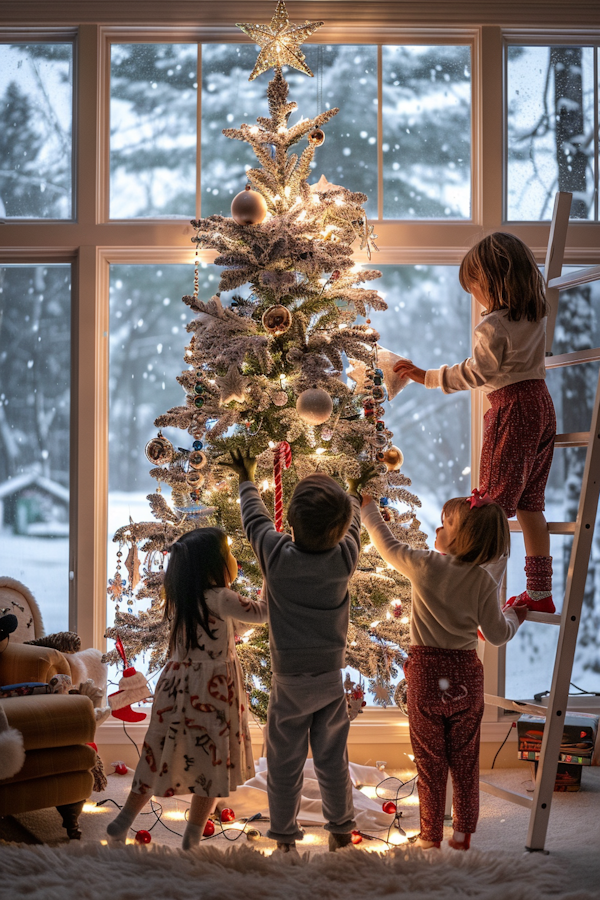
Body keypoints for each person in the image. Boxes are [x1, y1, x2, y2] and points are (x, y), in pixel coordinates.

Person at [393, 232, 556, 613]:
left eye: (476, 287)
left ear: (495, 281)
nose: (476, 296)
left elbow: (476, 373)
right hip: (541, 407)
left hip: (512, 410)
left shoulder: (494, 326)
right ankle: (539, 592)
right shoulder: (535, 314)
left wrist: (426, 376)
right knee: (531, 505)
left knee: (489, 508)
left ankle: (477, 600)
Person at [361, 488, 527, 851]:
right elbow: (497, 635)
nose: (437, 530)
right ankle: (464, 832)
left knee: (429, 762)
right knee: (465, 760)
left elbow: (386, 544)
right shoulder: (484, 582)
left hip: (426, 677)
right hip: (465, 676)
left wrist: (369, 507)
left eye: (445, 524)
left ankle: (430, 835)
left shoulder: (424, 564)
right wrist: (517, 614)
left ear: (462, 536)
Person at [224, 448, 367, 855]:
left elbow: (254, 521)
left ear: (288, 522)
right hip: (328, 680)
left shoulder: (277, 557)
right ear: (338, 531)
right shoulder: (344, 559)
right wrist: (354, 495)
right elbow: (354, 528)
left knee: (283, 766)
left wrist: (247, 479)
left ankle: (284, 838)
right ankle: (341, 829)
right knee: (332, 761)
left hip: (289, 684)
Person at [106, 527, 267, 850]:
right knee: (211, 765)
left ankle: (122, 821)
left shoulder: (183, 597)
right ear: (213, 566)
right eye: (230, 556)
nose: (235, 561)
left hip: (176, 686)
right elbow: (263, 613)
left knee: (157, 755)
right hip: (213, 691)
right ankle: (191, 838)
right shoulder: (223, 598)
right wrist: (270, 573)